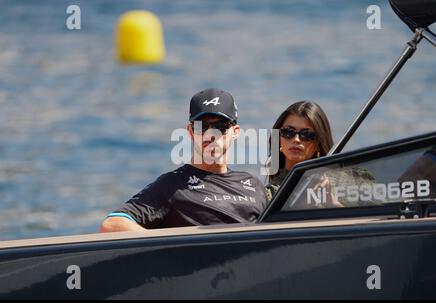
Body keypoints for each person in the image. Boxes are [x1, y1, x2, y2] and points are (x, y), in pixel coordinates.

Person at [99, 88, 268, 232]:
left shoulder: (253, 184)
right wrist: (168, 246)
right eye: (201, 126)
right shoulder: (173, 185)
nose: (210, 134)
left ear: (236, 131)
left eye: (220, 126)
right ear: (190, 131)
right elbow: (113, 224)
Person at [265, 101, 334, 201]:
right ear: (279, 139)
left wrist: (332, 204)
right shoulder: (267, 195)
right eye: (288, 132)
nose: (296, 139)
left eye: (306, 134)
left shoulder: (350, 182)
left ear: (319, 144)